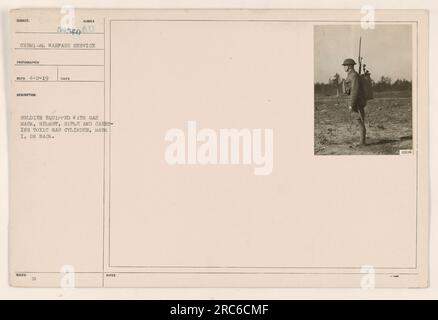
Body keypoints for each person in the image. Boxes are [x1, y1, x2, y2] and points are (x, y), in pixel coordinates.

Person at [342, 58, 367, 145]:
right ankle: (362, 141)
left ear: (349, 66)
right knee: (359, 119)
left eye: (344, 65)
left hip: (357, 101)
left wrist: (351, 104)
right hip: (355, 101)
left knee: (359, 119)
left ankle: (362, 142)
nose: (343, 67)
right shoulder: (350, 75)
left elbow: (355, 91)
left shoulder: (354, 76)